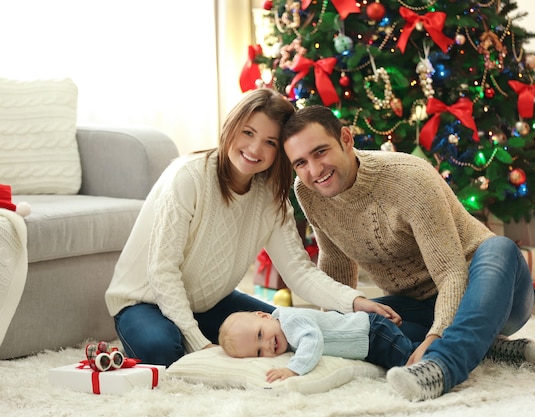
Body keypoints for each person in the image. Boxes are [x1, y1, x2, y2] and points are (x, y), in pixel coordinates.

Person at [104, 89, 399, 367]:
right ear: (231, 127)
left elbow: (299, 273)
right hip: (145, 301)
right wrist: (199, 344)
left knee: (288, 330)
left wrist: (355, 301)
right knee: (164, 349)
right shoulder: (188, 178)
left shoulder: (270, 198)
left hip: (209, 302)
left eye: (270, 142)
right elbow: (162, 272)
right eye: (248, 133)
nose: (255, 148)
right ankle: (179, 336)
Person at [280, 105, 535, 401]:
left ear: (345, 138)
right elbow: (335, 261)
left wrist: (433, 338)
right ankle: (488, 347)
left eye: (320, 152)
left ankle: (443, 366)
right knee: (369, 320)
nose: (314, 171)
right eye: (300, 163)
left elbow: (451, 273)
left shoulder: (408, 179)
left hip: (494, 290)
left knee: (500, 247)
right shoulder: (307, 192)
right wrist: (334, 329)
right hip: (420, 305)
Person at [218, 307, 421, 382]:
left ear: (264, 315)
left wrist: (293, 369)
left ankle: (441, 350)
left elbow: (313, 339)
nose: (267, 345)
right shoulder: (285, 336)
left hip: (372, 333)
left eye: (260, 334)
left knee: (410, 362)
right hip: (367, 346)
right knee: (405, 354)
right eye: (259, 352)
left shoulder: (290, 320)